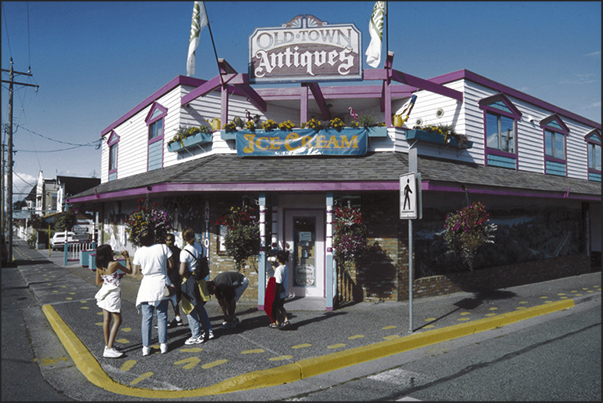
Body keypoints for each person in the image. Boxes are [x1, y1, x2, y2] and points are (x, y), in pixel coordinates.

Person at [132, 228, 173, 356]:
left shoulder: (139, 252)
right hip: (161, 283)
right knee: (162, 316)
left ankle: (146, 347)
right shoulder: (163, 248)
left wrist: (145, 273)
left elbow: (135, 272)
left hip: (147, 285)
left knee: (146, 318)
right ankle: (163, 345)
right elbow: (172, 265)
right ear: (154, 238)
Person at [94, 244, 132, 358]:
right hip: (113, 294)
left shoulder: (99, 267)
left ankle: (107, 345)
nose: (113, 252)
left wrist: (112, 281)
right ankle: (109, 348)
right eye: (111, 251)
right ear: (108, 253)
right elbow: (129, 271)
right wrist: (127, 258)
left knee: (107, 320)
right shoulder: (114, 264)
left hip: (104, 292)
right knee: (118, 320)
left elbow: (98, 282)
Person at [179, 228, 214, 345]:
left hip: (190, 282)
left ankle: (196, 335)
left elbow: (182, 272)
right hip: (201, 281)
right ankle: (208, 330)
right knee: (200, 307)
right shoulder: (202, 248)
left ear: (184, 238)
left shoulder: (184, 252)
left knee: (190, 308)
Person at [164, 233, 184, 328]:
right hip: (177, 276)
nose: (169, 242)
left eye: (170, 240)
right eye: (168, 240)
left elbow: (167, 266)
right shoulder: (179, 251)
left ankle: (165, 320)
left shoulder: (165, 251)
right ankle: (178, 318)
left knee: (164, 299)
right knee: (174, 299)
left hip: (169, 277)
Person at [270, 250, 291, 329]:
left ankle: (276, 322)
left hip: (278, 291)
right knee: (280, 306)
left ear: (278, 259)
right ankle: (286, 320)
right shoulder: (285, 267)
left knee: (275, 307)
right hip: (283, 291)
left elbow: (278, 281)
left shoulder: (279, 269)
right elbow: (279, 273)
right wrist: (274, 266)